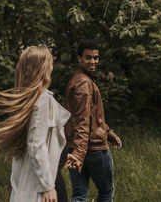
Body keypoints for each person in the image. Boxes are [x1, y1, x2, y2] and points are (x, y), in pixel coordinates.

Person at [0, 45, 72, 202]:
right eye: (50, 62)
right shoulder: (42, 99)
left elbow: (44, 141)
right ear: (43, 67)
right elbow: (36, 144)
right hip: (39, 183)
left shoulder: (29, 98)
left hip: (37, 176)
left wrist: (63, 155)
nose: (52, 66)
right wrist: (47, 187)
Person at [64, 40, 122, 202]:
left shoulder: (79, 79)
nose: (93, 62)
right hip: (93, 148)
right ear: (79, 58)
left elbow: (92, 115)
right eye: (88, 57)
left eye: (96, 58)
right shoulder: (83, 83)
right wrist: (79, 153)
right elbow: (82, 119)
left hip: (76, 146)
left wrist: (109, 132)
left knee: (79, 195)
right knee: (106, 191)